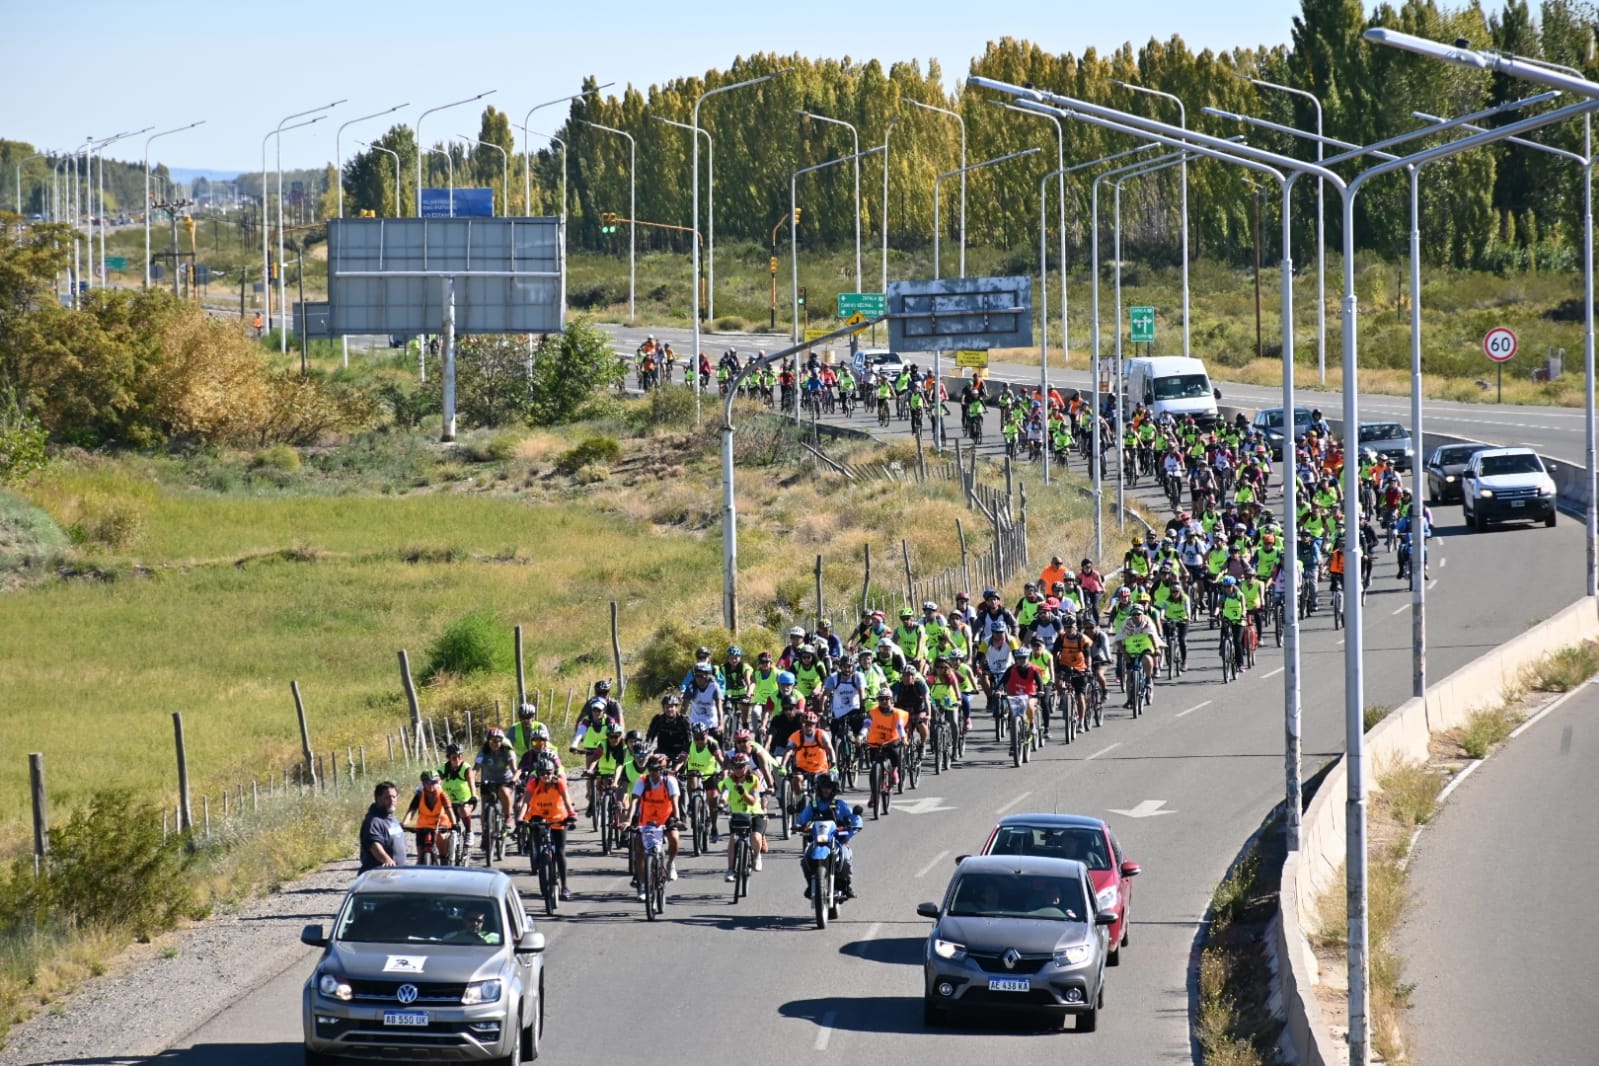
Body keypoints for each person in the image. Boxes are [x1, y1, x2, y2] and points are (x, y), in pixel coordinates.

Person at [519, 753, 578, 901]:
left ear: (553, 772)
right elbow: (525, 802)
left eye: (549, 773)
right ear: (537, 774)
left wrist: (571, 814)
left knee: (560, 852)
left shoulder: (559, 783)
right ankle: (539, 858)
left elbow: (567, 800)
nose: (545, 776)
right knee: (537, 839)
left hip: (558, 817)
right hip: (538, 815)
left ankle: (564, 886)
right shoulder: (533, 783)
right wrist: (520, 818)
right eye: (542, 773)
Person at [795, 773, 863, 899]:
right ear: (818, 789)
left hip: (835, 841)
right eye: (823, 787)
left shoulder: (840, 804)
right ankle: (811, 884)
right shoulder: (813, 805)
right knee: (805, 859)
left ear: (834, 788)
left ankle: (846, 886)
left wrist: (853, 827)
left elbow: (854, 818)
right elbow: (801, 820)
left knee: (846, 857)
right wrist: (798, 825)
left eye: (829, 787)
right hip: (817, 842)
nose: (826, 790)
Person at [627, 753, 682, 898]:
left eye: (657, 769)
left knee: (674, 839)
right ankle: (643, 884)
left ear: (662, 769)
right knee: (638, 847)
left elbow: (675, 802)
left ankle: (670, 863)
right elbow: (634, 802)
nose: (654, 772)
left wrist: (677, 819)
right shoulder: (643, 781)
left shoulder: (669, 781)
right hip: (647, 819)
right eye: (651, 769)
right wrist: (628, 820)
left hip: (666, 817)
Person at [719, 753, 767, 881]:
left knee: (755, 837)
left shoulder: (754, 779)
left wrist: (743, 792)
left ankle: (756, 856)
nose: (739, 769)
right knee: (733, 839)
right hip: (738, 815)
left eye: (742, 766)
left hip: (755, 814)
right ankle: (730, 870)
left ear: (747, 767)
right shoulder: (728, 780)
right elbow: (725, 792)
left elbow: (752, 801)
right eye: (736, 767)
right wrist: (722, 803)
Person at [402, 769, 458, 864]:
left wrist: (454, 824)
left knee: (441, 836)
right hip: (423, 823)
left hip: (441, 821)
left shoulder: (442, 795)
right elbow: (411, 811)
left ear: (438, 782)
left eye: (434, 782)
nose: (431, 784)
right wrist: (404, 824)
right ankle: (421, 865)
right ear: (423, 783)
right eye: (428, 782)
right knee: (420, 857)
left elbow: (449, 810)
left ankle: (444, 860)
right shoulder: (419, 795)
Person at [474, 728, 517, 844]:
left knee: (504, 791)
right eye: (493, 741)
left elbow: (514, 769)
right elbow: (476, 768)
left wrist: (514, 779)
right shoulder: (483, 751)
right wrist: (471, 779)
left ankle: (508, 816)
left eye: (498, 740)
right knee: (484, 810)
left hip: (505, 779)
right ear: (488, 741)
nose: (495, 743)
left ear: (502, 741)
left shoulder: (508, 751)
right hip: (488, 780)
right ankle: (484, 835)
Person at [438, 742, 476, 852]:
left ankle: (469, 832)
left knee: (462, 809)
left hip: (466, 801)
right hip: (449, 803)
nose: (458, 759)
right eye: (454, 757)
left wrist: (473, 796)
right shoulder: (444, 768)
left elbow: (472, 784)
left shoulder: (466, 768)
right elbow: (437, 782)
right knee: (442, 825)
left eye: (460, 756)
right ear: (449, 758)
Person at [359, 780, 405, 871]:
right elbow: (373, 844)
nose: (392, 800)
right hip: (380, 874)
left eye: (394, 797)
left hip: (395, 872)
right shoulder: (374, 821)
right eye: (387, 797)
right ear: (378, 798)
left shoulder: (390, 817)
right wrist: (386, 859)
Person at [646, 691, 692, 762]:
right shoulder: (658, 719)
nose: (669, 709)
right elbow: (650, 737)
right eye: (667, 707)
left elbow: (689, 739)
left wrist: (685, 752)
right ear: (663, 708)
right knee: (655, 763)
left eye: (671, 707)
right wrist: (648, 750)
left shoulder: (684, 720)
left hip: (680, 751)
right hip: (663, 750)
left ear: (676, 707)